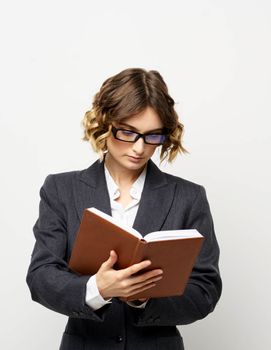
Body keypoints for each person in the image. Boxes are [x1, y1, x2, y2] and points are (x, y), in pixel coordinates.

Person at [26, 68, 222, 350]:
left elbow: (205, 290)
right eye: (128, 133)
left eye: (153, 136)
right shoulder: (61, 189)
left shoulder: (188, 197)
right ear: (105, 124)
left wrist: (142, 298)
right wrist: (98, 289)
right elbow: (41, 277)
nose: (140, 148)